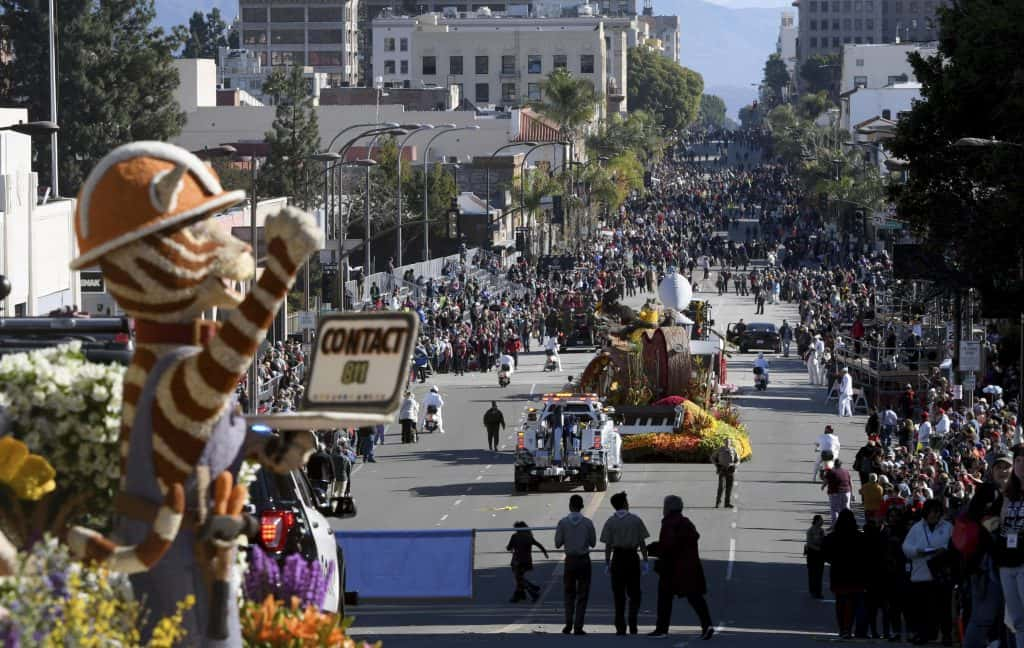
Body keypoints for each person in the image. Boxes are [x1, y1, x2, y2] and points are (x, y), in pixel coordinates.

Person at [648, 495, 714, 639]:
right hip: (690, 568)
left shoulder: (669, 524)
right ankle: (707, 624)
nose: (663, 509)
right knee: (695, 598)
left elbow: (667, 546)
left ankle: (661, 629)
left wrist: (651, 549)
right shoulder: (686, 523)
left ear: (668, 508)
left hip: (672, 568)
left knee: (664, 598)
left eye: (664, 506)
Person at [902, 499, 954, 645]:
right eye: (933, 511)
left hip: (941, 573)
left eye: (938, 512)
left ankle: (946, 634)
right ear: (926, 512)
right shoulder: (917, 528)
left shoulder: (948, 526)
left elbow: (953, 544)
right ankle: (923, 634)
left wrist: (944, 549)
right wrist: (917, 551)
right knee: (922, 608)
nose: (935, 515)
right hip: (921, 572)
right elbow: (906, 547)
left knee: (944, 606)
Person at [600, 491, 650, 635]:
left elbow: (608, 545)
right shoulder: (635, 520)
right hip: (632, 558)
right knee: (635, 593)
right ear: (624, 504)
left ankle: (620, 626)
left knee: (618, 594)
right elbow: (642, 543)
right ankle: (633, 621)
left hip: (617, 559)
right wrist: (645, 560)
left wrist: (607, 562)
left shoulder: (610, 522)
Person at [554, 494, 597, 635]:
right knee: (583, 594)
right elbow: (593, 543)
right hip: (584, 560)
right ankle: (578, 626)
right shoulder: (588, 523)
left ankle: (568, 624)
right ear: (581, 507)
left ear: (570, 506)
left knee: (569, 593)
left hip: (570, 561)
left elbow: (557, 543)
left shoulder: (563, 523)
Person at [823, 509, 868, 639]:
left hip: (839, 574)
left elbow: (825, 554)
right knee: (853, 603)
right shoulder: (860, 537)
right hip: (856, 575)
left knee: (840, 602)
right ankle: (851, 628)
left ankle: (843, 628)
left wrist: (834, 561)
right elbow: (866, 555)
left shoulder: (832, 537)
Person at [997, 445, 1024, 648]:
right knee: (1017, 620)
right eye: (1018, 461)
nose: (1021, 465)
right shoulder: (1008, 494)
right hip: (1007, 561)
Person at [506, 521, 549, 603]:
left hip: (517, 561)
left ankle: (532, 592)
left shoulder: (515, 536)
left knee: (519, 579)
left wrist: (509, 548)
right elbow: (538, 544)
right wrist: (545, 553)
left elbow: (509, 547)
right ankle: (521, 594)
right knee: (520, 578)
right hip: (527, 562)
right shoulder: (528, 536)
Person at [822, 459, 853, 524]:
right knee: (846, 509)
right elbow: (850, 483)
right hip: (846, 492)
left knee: (834, 510)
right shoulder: (846, 471)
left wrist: (823, 486)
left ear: (834, 464)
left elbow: (826, 481)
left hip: (835, 493)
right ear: (841, 464)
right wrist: (851, 494)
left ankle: (835, 526)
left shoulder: (831, 472)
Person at [712, 438, 738, 509]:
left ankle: (727, 503)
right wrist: (717, 464)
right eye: (726, 442)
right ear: (724, 442)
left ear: (731, 443)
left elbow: (737, 460)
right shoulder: (720, 450)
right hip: (722, 470)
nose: (727, 443)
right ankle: (718, 503)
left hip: (730, 470)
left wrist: (734, 465)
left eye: (729, 442)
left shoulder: (733, 450)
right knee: (721, 487)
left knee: (729, 487)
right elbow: (713, 457)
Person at [805, 514, 826, 599]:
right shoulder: (810, 531)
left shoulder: (821, 531)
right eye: (821, 520)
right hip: (812, 554)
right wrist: (817, 549)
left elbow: (824, 541)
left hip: (820, 555)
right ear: (816, 521)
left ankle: (818, 592)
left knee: (819, 574)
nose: (822, 522)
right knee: (812, 573)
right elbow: (809, 543)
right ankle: (813, 590)